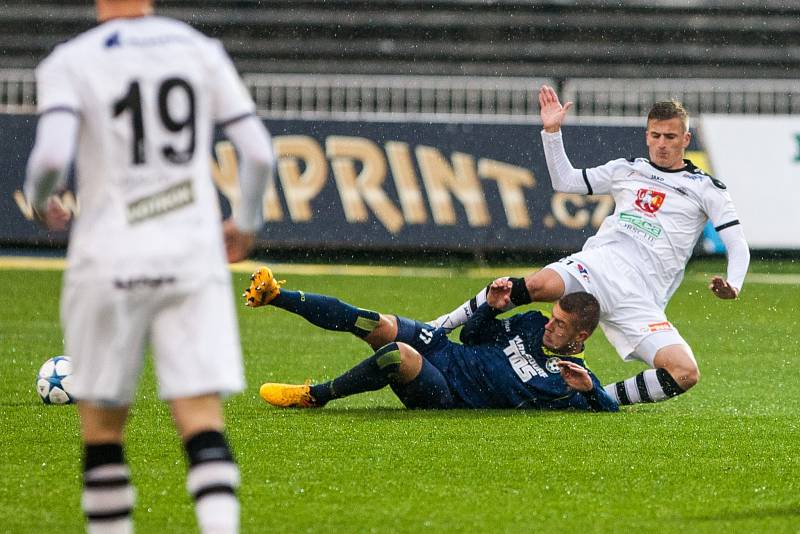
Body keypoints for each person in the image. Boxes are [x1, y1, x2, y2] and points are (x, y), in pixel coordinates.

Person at [24, 1, 274, 532]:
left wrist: (40, 198)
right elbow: (256, 152)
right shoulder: (197, 50)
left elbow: (48, 159)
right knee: (201, 423)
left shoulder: (72, 60)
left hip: (107, 255)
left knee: (104, 432)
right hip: (190, 255)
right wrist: (244, 221)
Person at [429, 85, 750, 407]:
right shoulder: (627, 169)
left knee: (684, 373)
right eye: (655, 135)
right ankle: (437, 327)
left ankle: (588, 397)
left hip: (640, 297)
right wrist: (552, 132)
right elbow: (565, 182)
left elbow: (737, 244)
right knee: (535, 284)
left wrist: (734, 284)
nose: (662, 144)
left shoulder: (707, 188)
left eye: (670, 137)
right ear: (647, 135)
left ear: (686, 140)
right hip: (599, 264)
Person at [244, 267, 618, 412]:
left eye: (560, 325)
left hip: (448, 393)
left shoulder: (572, 378)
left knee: (397, 355)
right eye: (553, 317)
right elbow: (471, 337)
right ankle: (276, 296)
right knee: (375, 322)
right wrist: (489, 307)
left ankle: (315, 396)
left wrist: (590, 392)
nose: (550, 326)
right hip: (446, 350)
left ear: (580, 336)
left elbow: (608, 409)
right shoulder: (532, 324)